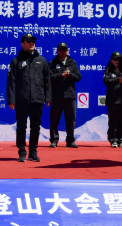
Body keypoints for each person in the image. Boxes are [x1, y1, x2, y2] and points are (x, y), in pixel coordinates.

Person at [6, 33, 51, 162]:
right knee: (21, 126)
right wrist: (11, 100)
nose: (32, 43)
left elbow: (47, 80)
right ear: (22, 44)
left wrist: (48, 97)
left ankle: (33, 152)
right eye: (29, 41)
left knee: (35, 127)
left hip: (37, 99)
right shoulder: (16, 61)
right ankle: (21, 151)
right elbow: (11, 82)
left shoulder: (41, 60)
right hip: (22, 99)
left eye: (33, 41)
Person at [48, 42, 81, 148]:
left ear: (67, 51)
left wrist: (70, 74)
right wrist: (61, 75)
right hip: (57, 96)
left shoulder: (72, 62)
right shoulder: (52, 63)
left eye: (64, 50)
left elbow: (78, 77)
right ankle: (54, 140)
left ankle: (70, 140)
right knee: (54, 119)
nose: (62, 52)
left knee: (71, 119)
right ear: (57, 51)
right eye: (60, 50)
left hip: (70, 96)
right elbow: (48, 78)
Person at [102, 52, 122, 147]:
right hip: (112, 100)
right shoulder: (108, 70)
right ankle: (113, 140)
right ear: (111, 60)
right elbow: (106, 81)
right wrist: (117, 80)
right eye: (115, 59)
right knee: (113, 121)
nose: (117, 61)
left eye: (119, 59)